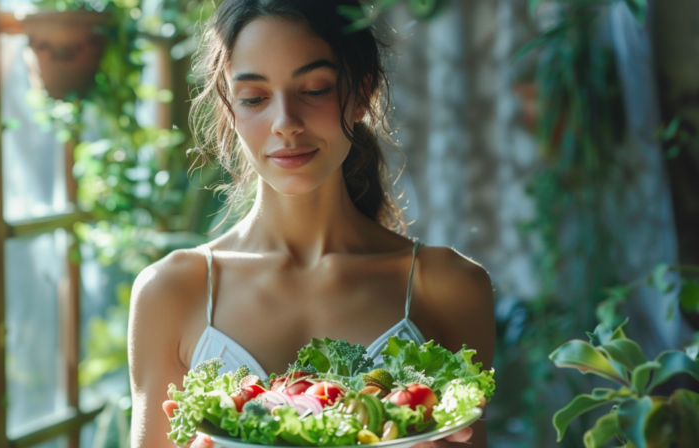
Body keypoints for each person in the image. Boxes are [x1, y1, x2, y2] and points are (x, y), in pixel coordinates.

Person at [127, 1, 496, 447]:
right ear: (230, 108)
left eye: (315, 88)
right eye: (255, 98)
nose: (285, 123)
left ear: (362, 93)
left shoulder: (451, 286)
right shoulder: (170, 293)